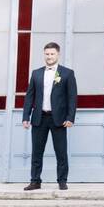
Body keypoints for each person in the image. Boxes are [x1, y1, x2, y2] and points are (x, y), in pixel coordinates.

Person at [22, 42, 77, 191]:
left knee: (61, 152)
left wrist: (70, 117)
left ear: (58, 55)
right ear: (44, 54)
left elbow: (72, 97)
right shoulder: (36, 73)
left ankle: (62, 181)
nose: (49, 56)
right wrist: (25, 117)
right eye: (47, 54)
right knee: (36, 152)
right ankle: (35, 181)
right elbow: (29, 96)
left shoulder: (67, 73)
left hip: (58, 119)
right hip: (39, 118)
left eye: (52, 54)